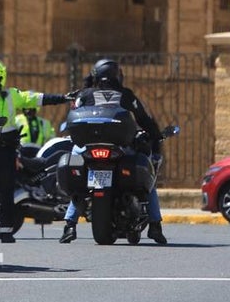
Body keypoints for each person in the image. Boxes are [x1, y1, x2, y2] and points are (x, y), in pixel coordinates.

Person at [59, 58, 168, 245]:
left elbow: (73, 113)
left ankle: (70, 225)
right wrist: (156, 135)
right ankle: (155, 225)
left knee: (82, 184)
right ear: (117, 75)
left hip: (87, 147)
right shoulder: (126, 96)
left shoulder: (85, 94)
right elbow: (144, 119)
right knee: (148, 181)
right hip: (121, 147)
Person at [0, 57, 69, 243]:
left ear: (1, 79)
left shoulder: (10, 96)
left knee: (7, 191)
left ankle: (6, 231)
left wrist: (62, 98)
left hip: (6, 151)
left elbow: (34, 98)